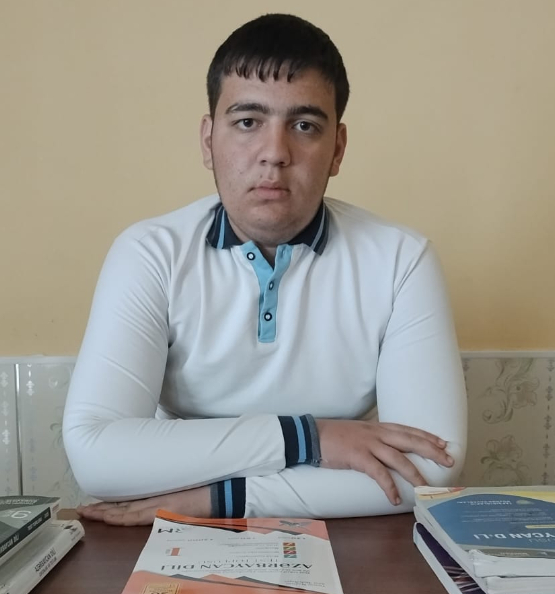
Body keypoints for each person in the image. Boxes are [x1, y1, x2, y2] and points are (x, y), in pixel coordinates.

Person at [63, 13, 467, 525]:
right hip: (170, 544)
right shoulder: (148, 254)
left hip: (331, 541)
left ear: (337, 149)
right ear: (208, 140)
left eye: (304, 126)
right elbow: (97, 456)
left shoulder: (401, 260)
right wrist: (311, 438)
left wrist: (221, 500)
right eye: (248, 122)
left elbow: (430, 470)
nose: (274, 154)